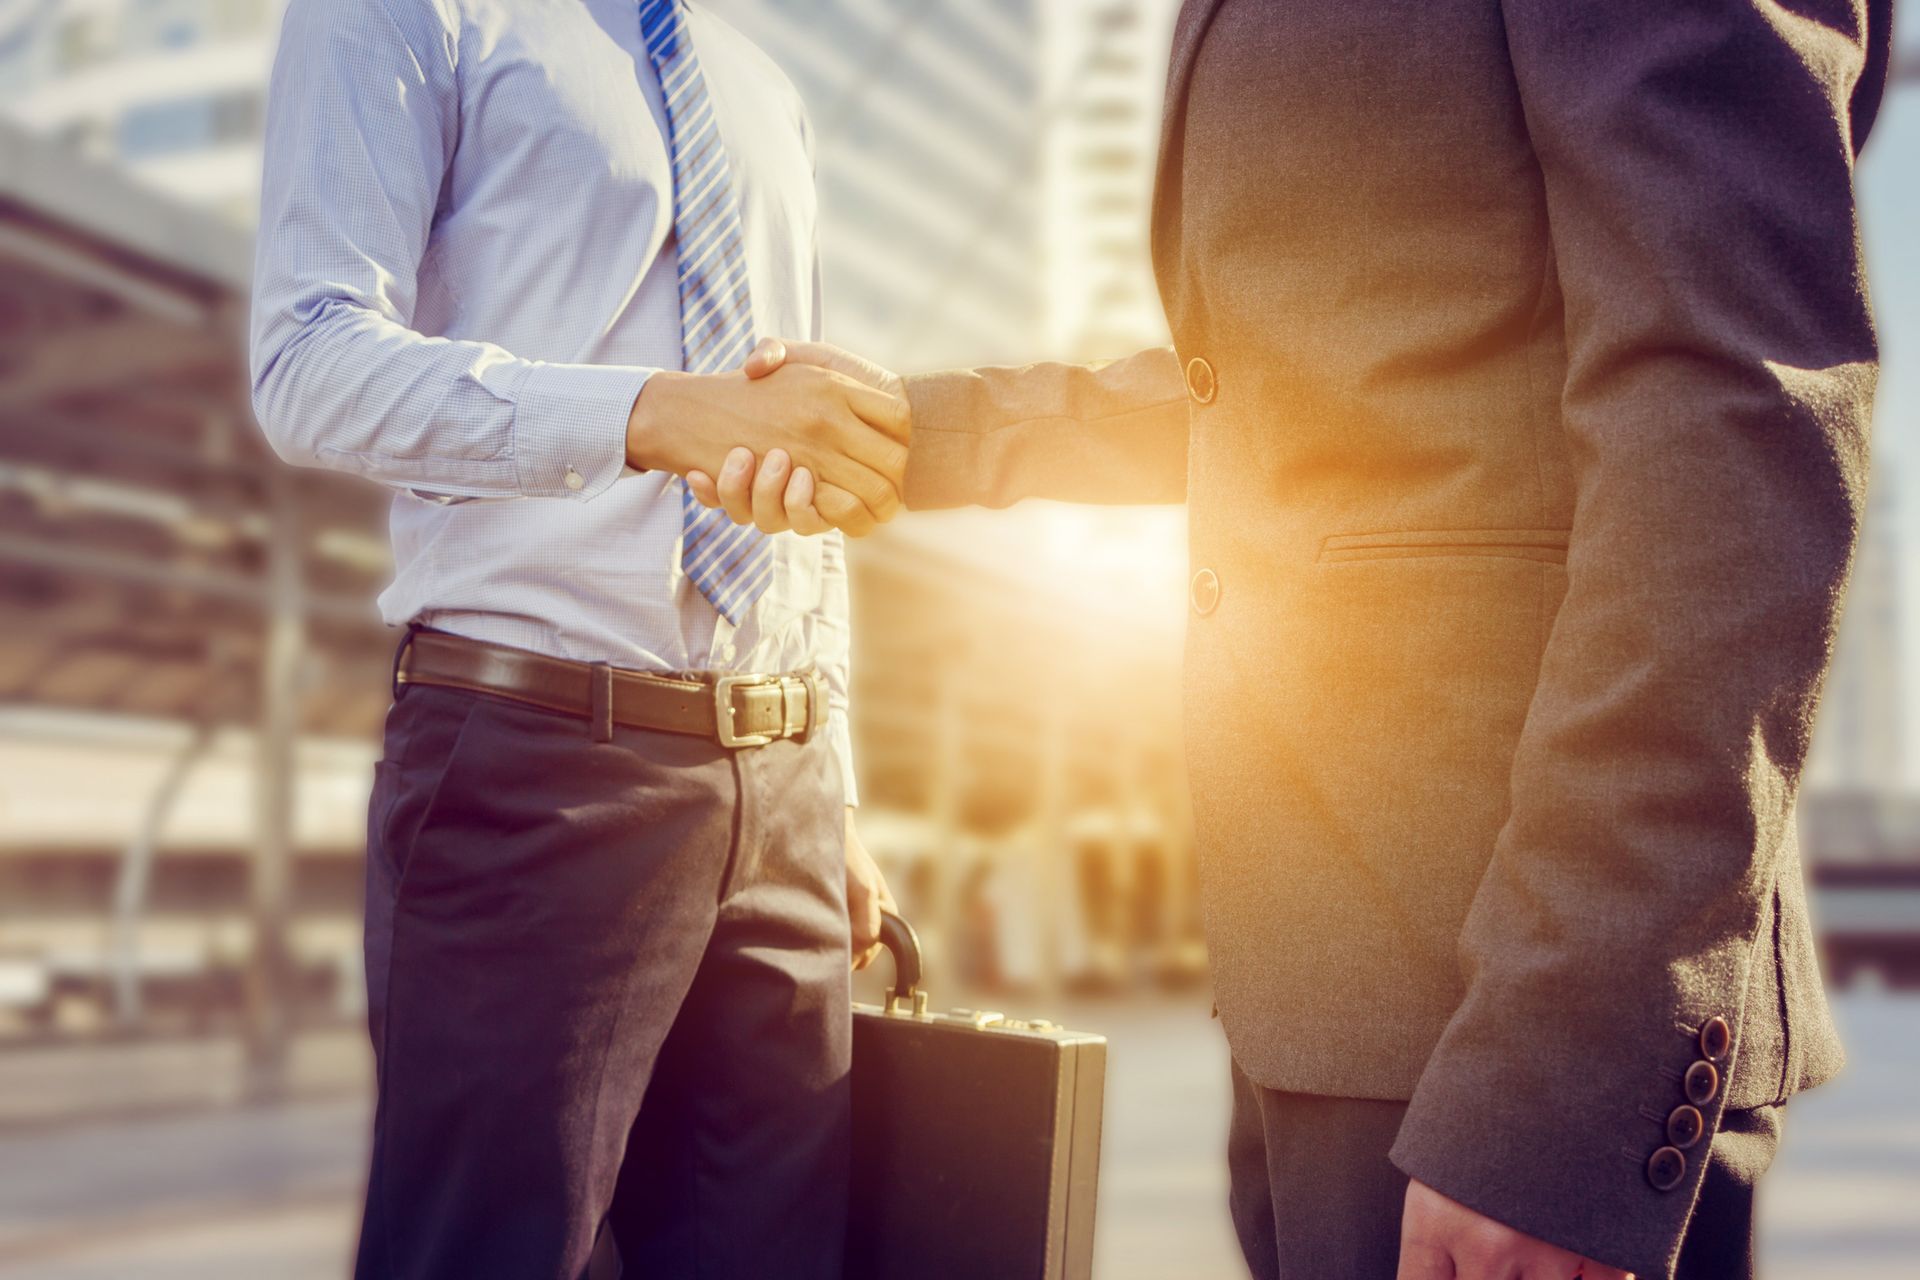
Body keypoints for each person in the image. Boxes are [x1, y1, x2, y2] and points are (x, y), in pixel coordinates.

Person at [693, 1, 1897, 1276]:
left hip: (1516, 1030)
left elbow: (1731, 416)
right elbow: (1292, 378)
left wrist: (1562, 1084)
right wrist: (917, 435)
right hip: (1326, 991)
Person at [247, 1, 908, 1275]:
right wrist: (646, 413)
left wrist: (835, 791)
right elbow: (308, 359)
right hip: (536, 763)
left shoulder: (760, 87)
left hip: (781, 790)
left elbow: (799, 472)